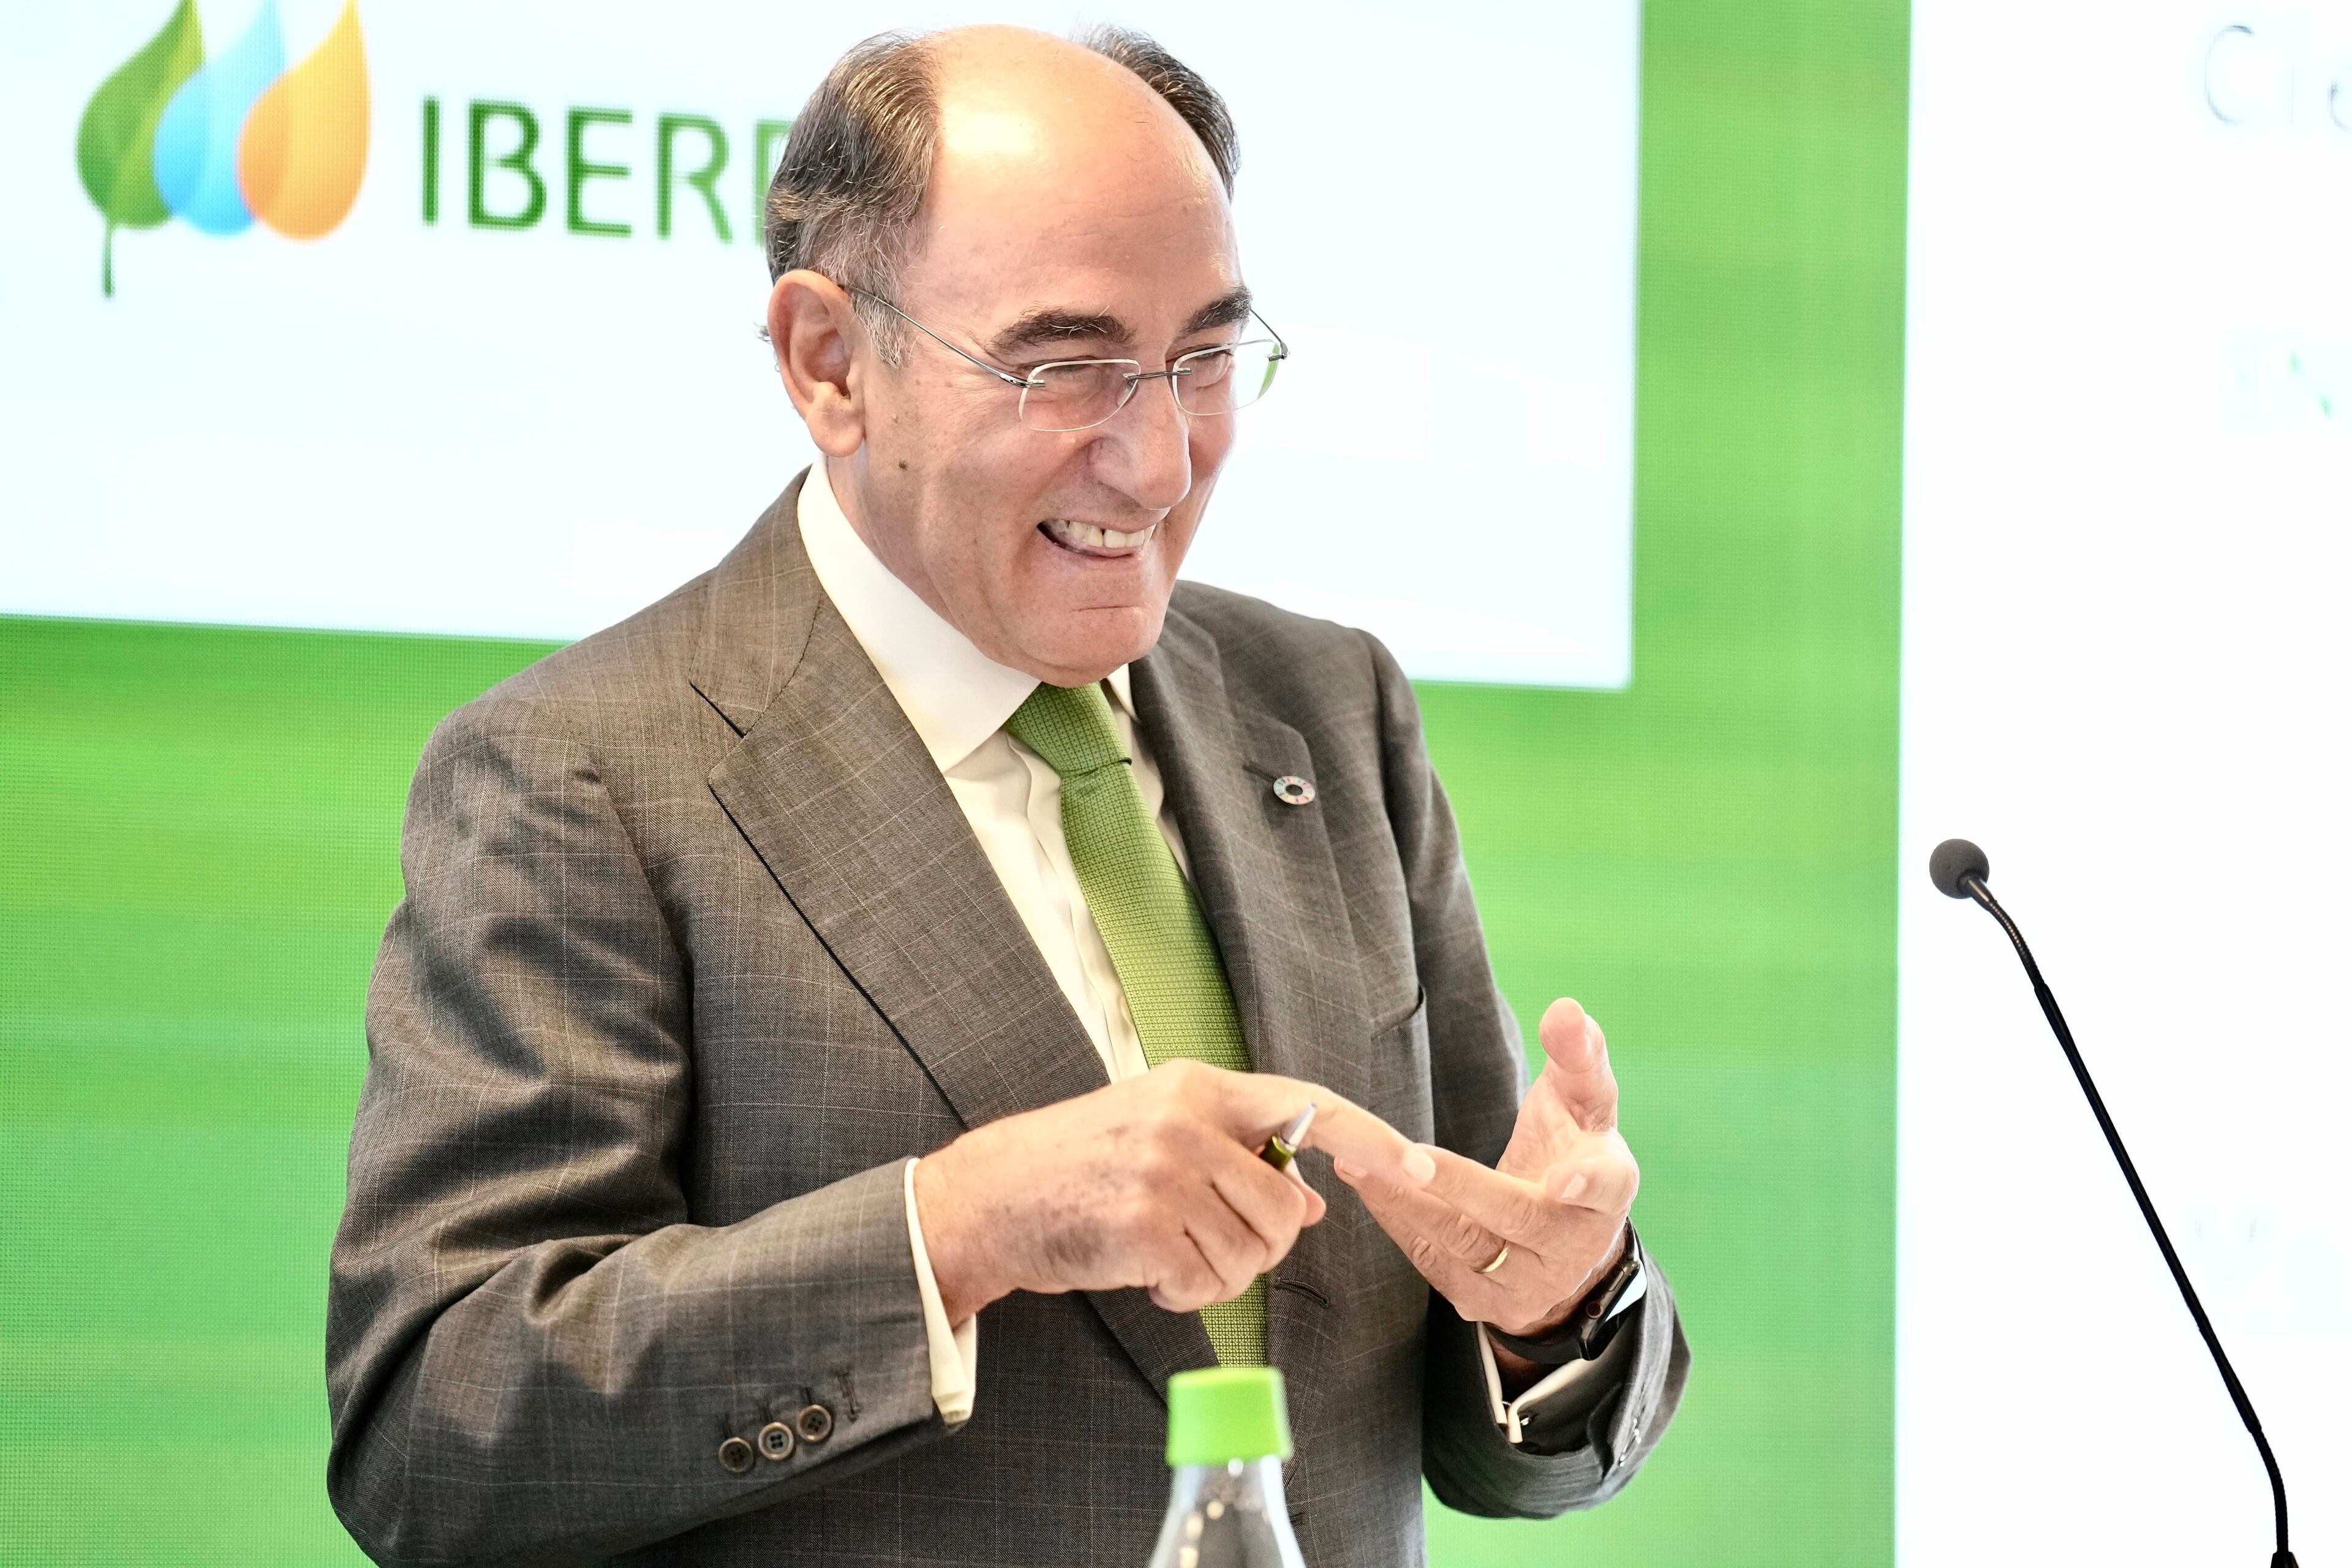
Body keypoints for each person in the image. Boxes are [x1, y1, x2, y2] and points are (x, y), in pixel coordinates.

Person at [326, 23, 1687, 1567]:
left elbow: (1485, 1424)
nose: (1159, 460)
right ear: (829, 361)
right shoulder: (585, 776)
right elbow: (438, 1428)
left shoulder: (1330, 706)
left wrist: (1555, 1304)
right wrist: (961, 1224)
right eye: (1065, 367)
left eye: (1206, 358)